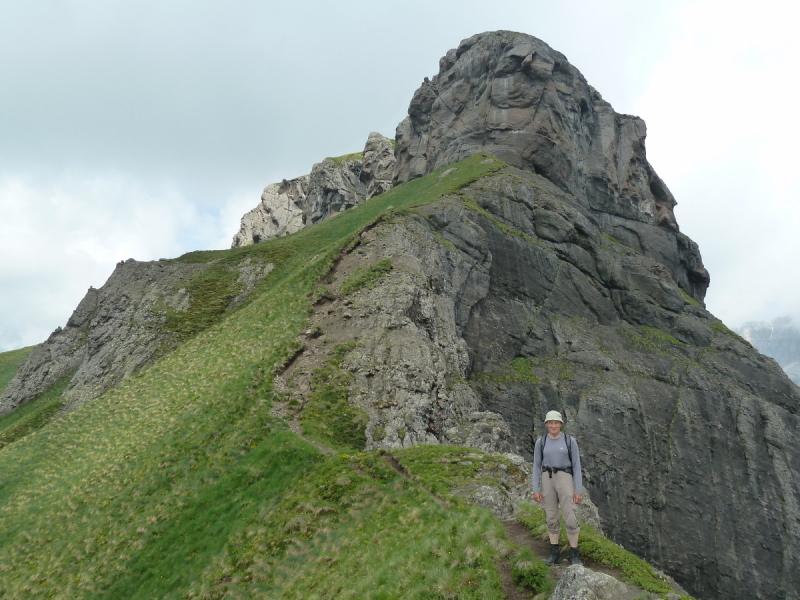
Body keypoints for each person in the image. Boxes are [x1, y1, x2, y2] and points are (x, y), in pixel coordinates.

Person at [532, 410, 583, 566]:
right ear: (547, 424)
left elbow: (577, 466)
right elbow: (536, 465)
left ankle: (574, 554)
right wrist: (536, 488)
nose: (553, 425)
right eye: (550, 422)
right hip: (547, 478)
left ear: (561, 424)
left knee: (570, 515)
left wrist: (578, 490)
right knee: (551, 515)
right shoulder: (541, 442)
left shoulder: (569, 441)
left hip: (565, 477)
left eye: (556, 423)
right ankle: (554, 553)